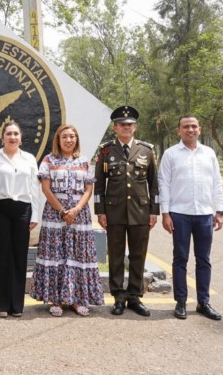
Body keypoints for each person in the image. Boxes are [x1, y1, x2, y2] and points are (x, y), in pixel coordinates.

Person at [30, 124, 104, 317]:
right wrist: (63, 211)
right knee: (56, 254)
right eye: (65, 137)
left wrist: (77, 209)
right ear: (58, 139)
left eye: (72, 137)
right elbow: (46, 189)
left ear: (76, 139)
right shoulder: (48, 160)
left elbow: (89, 189)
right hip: (56, 214)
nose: (68, 140)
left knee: (78, 254)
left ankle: (78, 299)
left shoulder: (84, 161)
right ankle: (57, 300)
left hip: (80, 215)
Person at [94, 105, 159, 317]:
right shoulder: (105, 150)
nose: (126, 128)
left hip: (140, 211)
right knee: (116, 255)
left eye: (130, 124)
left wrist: (154, 211)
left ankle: (135, 296)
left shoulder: (147, 150)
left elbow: (154, 183)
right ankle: (118, 297)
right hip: (114, 212)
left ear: (135, 127)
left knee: (138, 255)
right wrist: (100, 211)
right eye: (122, 125)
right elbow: (99, 185)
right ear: (115, 127)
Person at [158, 115, 223, 321]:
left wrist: (219, 211)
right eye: (186, 127)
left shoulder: (209, 154)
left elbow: (217, 183)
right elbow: (163, 184)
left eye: (194, 126)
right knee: (180, 259)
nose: (190, 130)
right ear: (179, 131)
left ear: (200, 129)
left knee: (204, 260)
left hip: (204, 214)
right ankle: (181, 302)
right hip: (180, 215)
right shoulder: (171, 154)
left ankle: (204, 302)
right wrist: (166, 213)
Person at [0, 121, 40, 318]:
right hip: (0, 209)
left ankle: (17, 305)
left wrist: (34, 214)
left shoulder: (29, 158)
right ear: (2, 137)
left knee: (19, 257)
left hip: (22, 210)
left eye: (16, 134)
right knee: (1, 256)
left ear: (21, 137)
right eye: (8, 134)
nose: (12, 137)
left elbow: (34, 189)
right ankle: (1, 304)